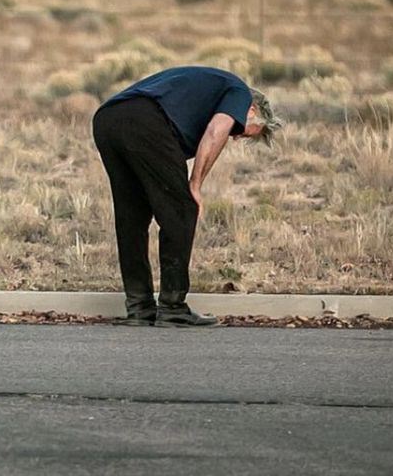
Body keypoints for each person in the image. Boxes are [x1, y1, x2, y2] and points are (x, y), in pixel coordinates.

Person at [91, 66, 281, 327]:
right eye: (242, 131)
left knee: (132, 217)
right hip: (144, 120)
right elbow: (216, 132)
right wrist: (195, 185)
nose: (236, 137)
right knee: (182, 210)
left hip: (107, 119)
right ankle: (172, 307)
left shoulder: (208, 91)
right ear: (252, 111)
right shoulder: (239, 92)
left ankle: (139, 308)